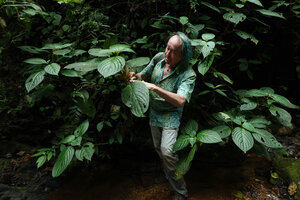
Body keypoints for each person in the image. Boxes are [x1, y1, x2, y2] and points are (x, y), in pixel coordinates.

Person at [130, 32, 196, 200]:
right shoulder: (159, 58)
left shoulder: (187, 73)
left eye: (173, 51)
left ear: (183, 54)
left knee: (167, 152)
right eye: (167, 48)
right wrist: (134, 76)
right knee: (159, 149)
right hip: (154, 112)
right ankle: (169, 176)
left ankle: (181, 191)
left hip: (171, 114)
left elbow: (180, 100)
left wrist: (155, 88)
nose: (167, 53)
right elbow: (142, 75)